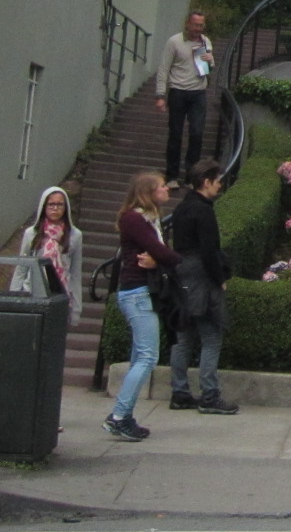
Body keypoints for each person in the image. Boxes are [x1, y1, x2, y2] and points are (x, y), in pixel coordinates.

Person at [105, 173, 182, 442]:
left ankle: (124, 415)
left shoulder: (148, 220)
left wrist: (160, 260)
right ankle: (118, 416)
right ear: (148, 192)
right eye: (162, 186)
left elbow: (157, 254)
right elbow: (159, 251)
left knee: (141, 356)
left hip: (141, 292)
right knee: (148, 357)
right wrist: (173, 260)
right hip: (136, 292)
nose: (167, 189)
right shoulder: (134, 219)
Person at [168, 160, 238, 415]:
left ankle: (180, 392)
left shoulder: (181, 208)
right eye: (217, 181)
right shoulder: (204, 211)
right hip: (201, 275)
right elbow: (210, 250)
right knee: (211, 336)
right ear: (206, 182)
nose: (220, 186)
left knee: (183, 337)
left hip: (181, 273)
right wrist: (219, 278)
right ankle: (209, 394)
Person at [155, 12, 213, 186]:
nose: (198, 29)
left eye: (201, 25)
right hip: (178, 91)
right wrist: (160, 95)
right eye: (195, 25)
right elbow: (164, 68)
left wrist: (210, 61)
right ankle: (172, 176)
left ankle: (191, 176)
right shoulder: (174, 41)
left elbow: (207, 69)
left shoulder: (205, 41)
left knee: (197, 134)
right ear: (187, 24)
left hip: (198, 92)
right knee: (175, 134)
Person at [14, 186, 82, 326]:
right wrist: (14, 299)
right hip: (32, 293)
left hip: (59, 295)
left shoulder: (75, 235)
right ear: (44, 206)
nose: (55, 208)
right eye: (51, 204)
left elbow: (75, 273)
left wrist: (76, 309)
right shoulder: (31, 233)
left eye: (59, 204)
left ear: (66, 207)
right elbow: (21, 268)